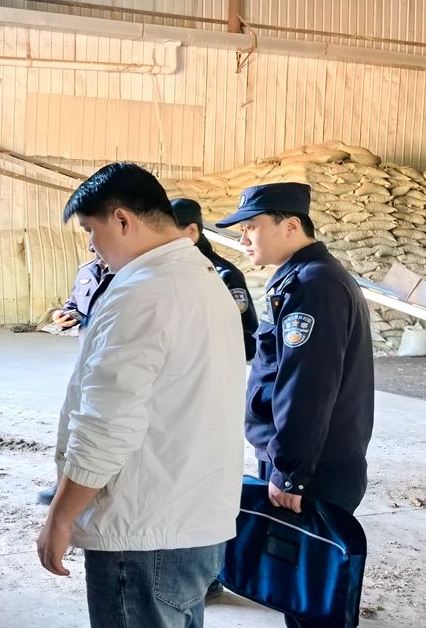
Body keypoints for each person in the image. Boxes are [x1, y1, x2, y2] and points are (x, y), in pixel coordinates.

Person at [37, 162, 246, 628]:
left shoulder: (142, 293)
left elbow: (107, 425)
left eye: (91, 231)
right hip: (193, 521)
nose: (93, 247)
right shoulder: (204, 279)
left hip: (142, 533)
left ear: (122, 220)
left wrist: (61, 516)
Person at [215, 182, 375, 628]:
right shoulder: (302, 278)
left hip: (312, 467)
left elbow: (307, 386)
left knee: (311, 598)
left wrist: (289, 472)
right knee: (297, 589)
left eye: (251, 227)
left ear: (290, 226)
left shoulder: (313, 286)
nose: (243, 239)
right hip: (305, 458)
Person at [38, 250, 114, 505]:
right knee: (70, 426)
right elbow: (77, 306)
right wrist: (66, 315)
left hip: (113, 365)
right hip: (84, 362)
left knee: (102, 431)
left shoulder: (130, 271)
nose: (93, 245)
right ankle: (63, 486)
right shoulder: (87, 270)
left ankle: (95, 491)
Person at [171, 197, 258, 361]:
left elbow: (247, 340)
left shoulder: (224, 275)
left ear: (191, 231)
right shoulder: (164, 271)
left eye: (168, 233)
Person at [50, 251, 112, 331]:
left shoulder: (126, 270)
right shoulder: (85, 271)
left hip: (116, 337)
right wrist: (62, 316)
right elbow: (74, 304)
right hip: (88, 336)